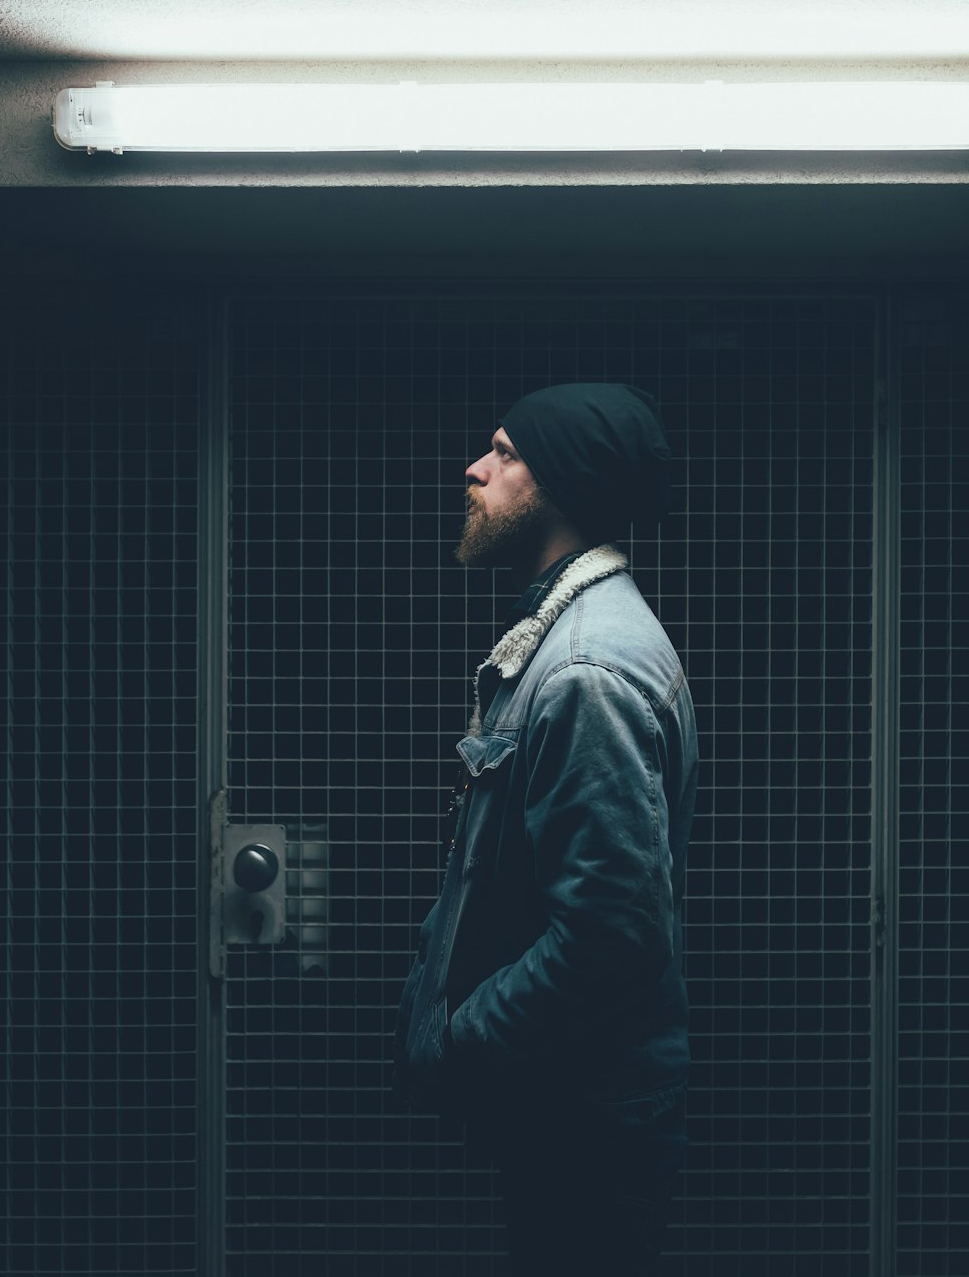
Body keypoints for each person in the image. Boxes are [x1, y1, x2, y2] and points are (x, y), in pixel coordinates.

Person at [393, 381, 698, 1273]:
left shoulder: (584, 670)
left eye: (504, 451)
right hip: (580, 1108)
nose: (475, 469)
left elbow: (608, 935)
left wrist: (462, 1038)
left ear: (561, 479)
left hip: (586, 1121)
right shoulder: (582, 639)